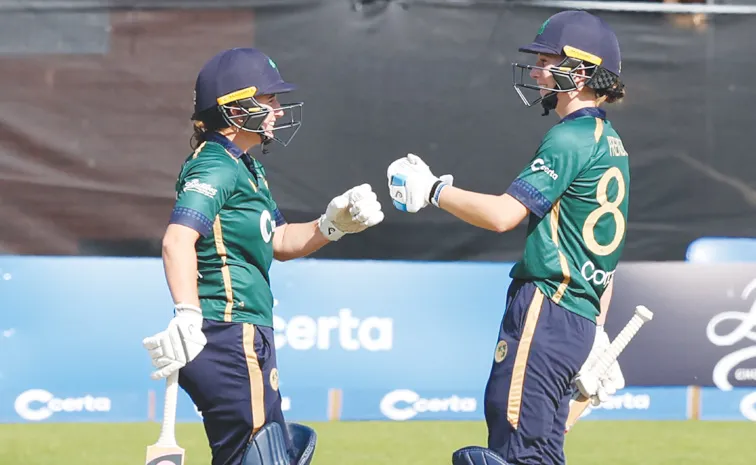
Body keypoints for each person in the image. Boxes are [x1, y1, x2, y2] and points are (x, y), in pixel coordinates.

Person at [386, 10, 629, 465]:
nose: (536, 70)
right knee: (538, 450)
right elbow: (605, 256)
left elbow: (503, 216)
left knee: (518, 448)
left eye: (545, 59)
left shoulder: (570, 139)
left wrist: (435, 190)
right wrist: (594, 329)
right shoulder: (610, 142)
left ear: (578, 71)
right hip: (576, 315)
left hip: (546, 311)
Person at [142, 47, 384, 465]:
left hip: (245, 333)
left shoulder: (247, 168)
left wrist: (334, 223)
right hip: (226, 333)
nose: (278, 110)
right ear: (234, 108)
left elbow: (281, 242)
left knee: (266, 455)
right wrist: (186, 313)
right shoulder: (216, 164)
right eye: (268, 100)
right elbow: (177, 240)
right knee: (258, 458)